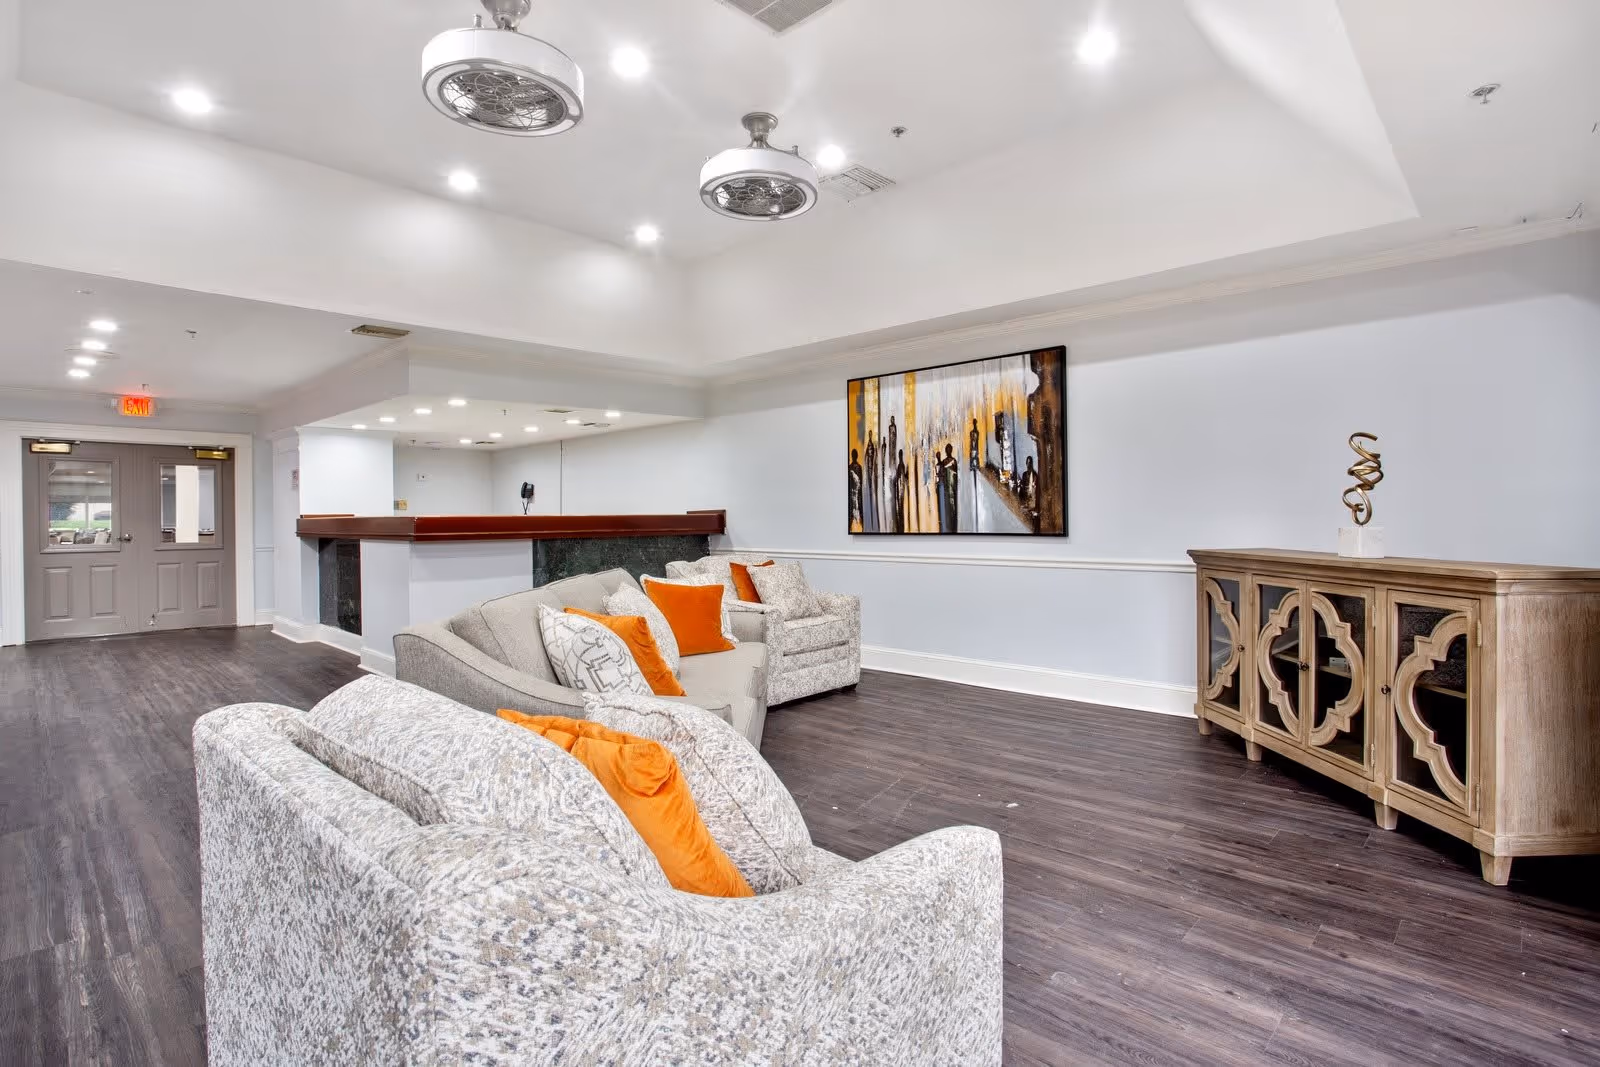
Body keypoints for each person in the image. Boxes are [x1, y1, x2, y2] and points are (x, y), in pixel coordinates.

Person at [936, 443, 960, 533]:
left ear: (951, 450)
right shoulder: (945, 461)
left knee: (953, 508)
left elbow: (952, 471)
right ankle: (949, 527)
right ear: (946, 451)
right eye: (947, 449)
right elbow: (940, 468)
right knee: (947, 508)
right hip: (947, 488)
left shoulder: (953, 461)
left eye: (949, 449)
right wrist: (938, 458)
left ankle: (953, 527)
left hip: (953, 488)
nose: (948, 450)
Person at [863, 433, 879, 532]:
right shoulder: (867, 458)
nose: (870, 451)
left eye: (871, 449)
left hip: (873, 481)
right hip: (869, 481)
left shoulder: (873, 458)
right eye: (869, 449)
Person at [848, 448, 864, 531]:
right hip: (857, 495)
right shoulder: (859, 467)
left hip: (852, 495)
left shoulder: (849, 467)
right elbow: (860, 483)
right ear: (856, 456)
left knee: (852, 515)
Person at [1019, 455, 1039, 520]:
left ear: (1032, 463)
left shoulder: (1035, 474)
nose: (1028, 464)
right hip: (1025, 499)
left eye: (1030, 462)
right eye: (1027, 462)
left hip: (1032, 500)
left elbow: (1035, 489)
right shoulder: (1024, 474)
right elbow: (1022, 487)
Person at [893, 447, 908, 533]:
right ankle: (900, 526)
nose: (900, 456)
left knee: (900, 507)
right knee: (900, 507)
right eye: (899, 455)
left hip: (901, 490)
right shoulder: (900, 465)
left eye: (900, 455)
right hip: (900, 490)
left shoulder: (901, 465)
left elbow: (902, 477)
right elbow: (901, 477)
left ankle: (901, 526)